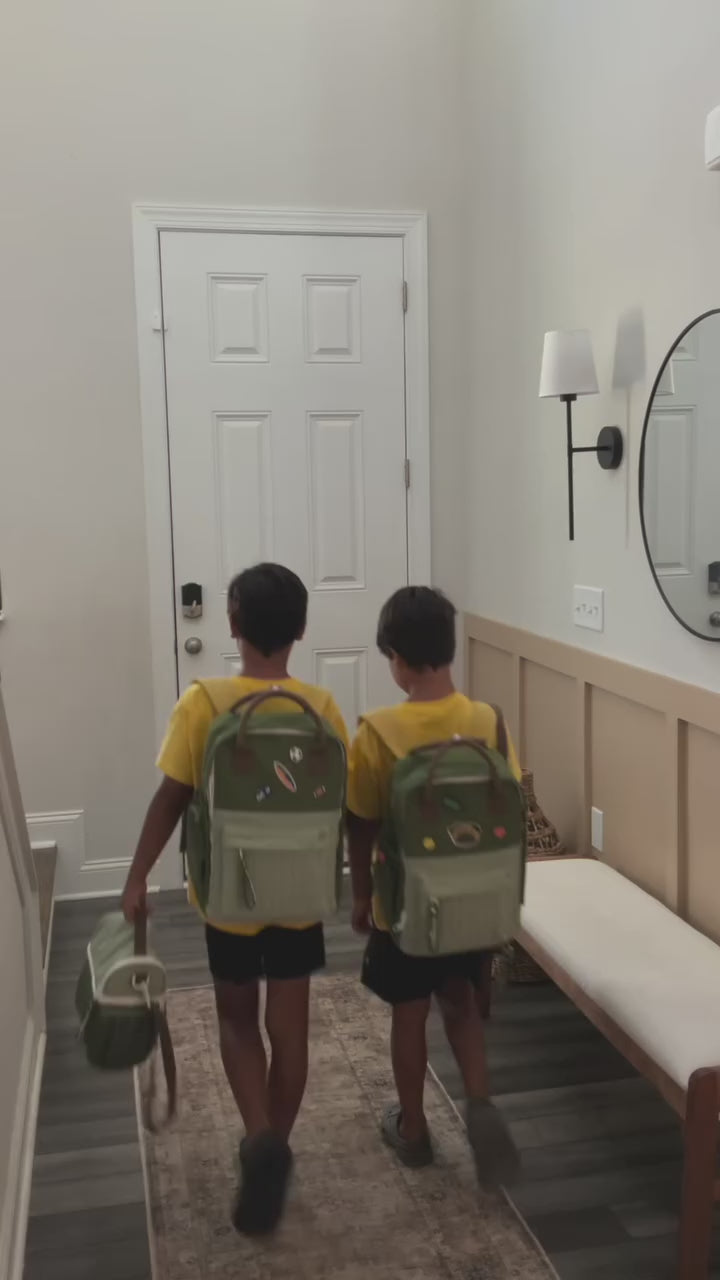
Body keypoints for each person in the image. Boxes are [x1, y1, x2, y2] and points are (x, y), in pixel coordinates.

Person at [121, 563, 348, 1235]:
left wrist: (137, 877)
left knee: (238, 1019)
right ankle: (277, 1142)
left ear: (232, 624)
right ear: (301, 629)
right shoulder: (322, 708)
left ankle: (259, 1139)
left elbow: (172, 798)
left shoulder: (204, 702)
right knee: (290, 1029)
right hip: (300, 891)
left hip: (228, 895)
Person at [347, 585, 521, 1186]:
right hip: (472, 897)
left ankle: (414, 1129)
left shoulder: (378, 731)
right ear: (449, 648)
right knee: (462, 1002)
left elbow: (361, 820)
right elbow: (507, 798)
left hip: (407, 906)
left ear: (395, 658)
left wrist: (361, 897)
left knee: (409, 1012)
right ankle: (480, 1103)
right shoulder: (487, 721)